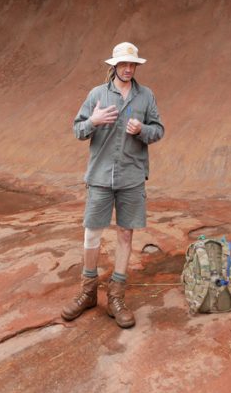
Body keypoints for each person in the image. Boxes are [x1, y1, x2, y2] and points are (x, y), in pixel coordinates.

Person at [61, 41, 164, 328]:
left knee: (125, 234)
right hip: (100, 176)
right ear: (114, 66)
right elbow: (78, 130)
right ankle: (88, 291)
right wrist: (93, 120)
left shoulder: (146, 97)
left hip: (131, 176)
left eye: (132, 65)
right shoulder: (97, 94)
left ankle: (116, 297)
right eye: (123, 64)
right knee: (92, 232)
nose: (128, 69)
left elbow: (159, 131)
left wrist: (142, 130)